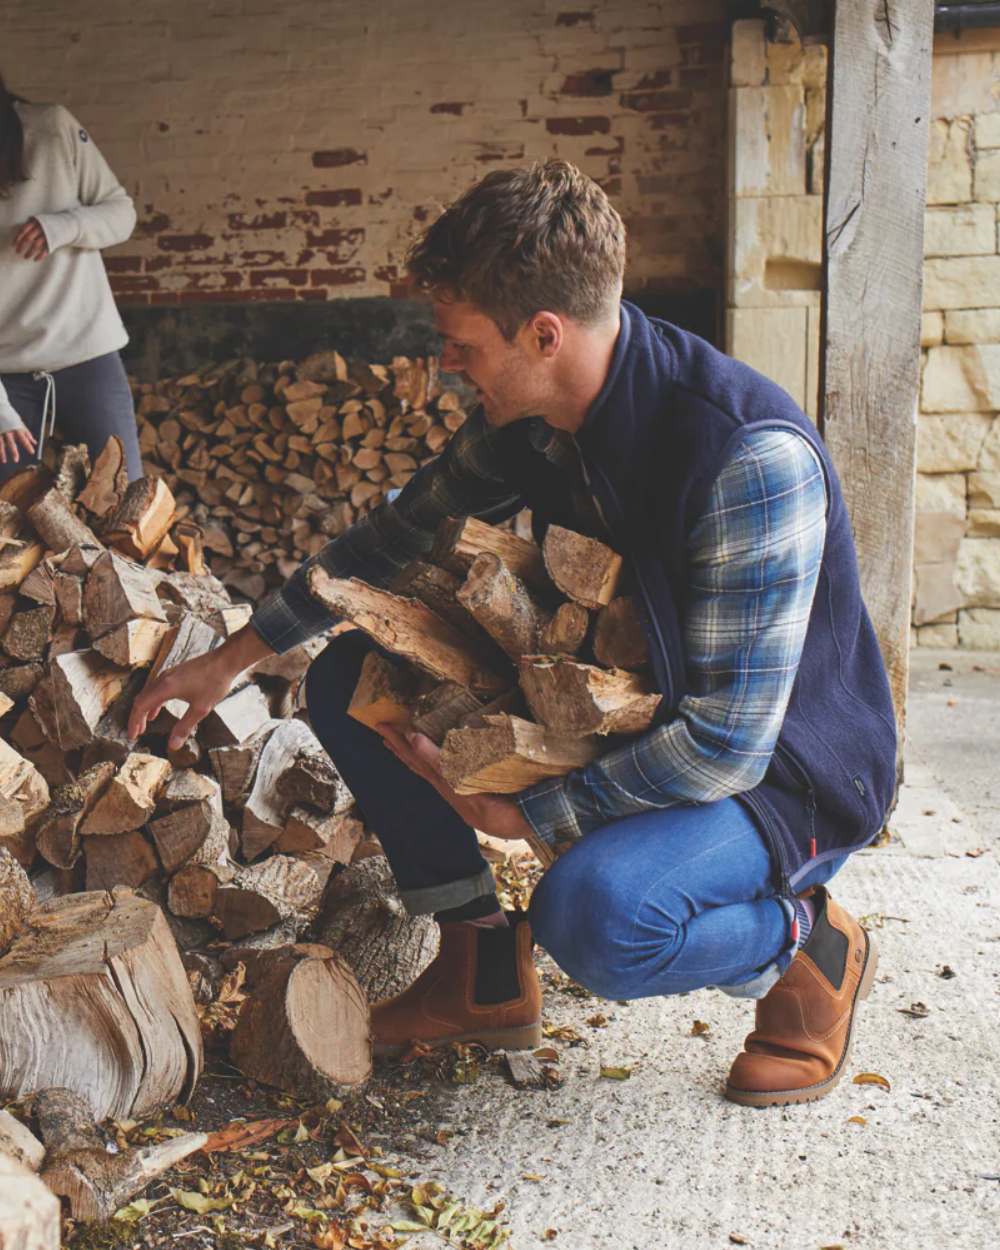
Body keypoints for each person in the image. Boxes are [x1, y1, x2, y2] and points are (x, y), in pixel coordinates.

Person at [129, 160, 896, 1107]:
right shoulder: (533, 419)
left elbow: (728, 744)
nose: (446, 364)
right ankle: (481, 972)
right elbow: (394, 541)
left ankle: (808, 947)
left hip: (786, 770)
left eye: (461, 345)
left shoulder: (746, 457)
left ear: (543, 334)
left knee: (598, 918)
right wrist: (233, 658)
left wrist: (535, 818)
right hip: (623, 708)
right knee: (347, 681)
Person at [0, 73, 141, 483]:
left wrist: (63, 226)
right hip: (4, 373)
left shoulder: (51, 126)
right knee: (7, 513)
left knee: (125, 500)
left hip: (86, 354)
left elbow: (121, 213)